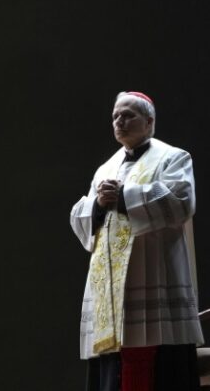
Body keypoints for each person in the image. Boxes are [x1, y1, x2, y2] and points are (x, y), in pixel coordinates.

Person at [70, 91, 203, 391]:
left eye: (128, 115)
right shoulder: (105, 169)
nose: (119, 121)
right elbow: (81, 217)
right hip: (110, 295)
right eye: (115, 116)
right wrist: (98, 205)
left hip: (154, 276)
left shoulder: (173, 157)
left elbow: (181, 201)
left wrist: (124, 197)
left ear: (149, 121)